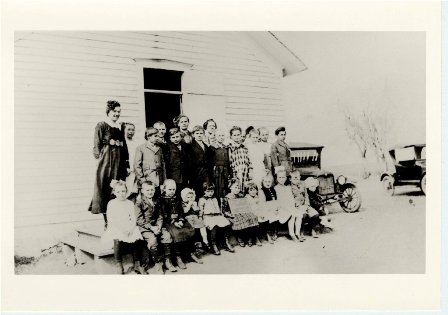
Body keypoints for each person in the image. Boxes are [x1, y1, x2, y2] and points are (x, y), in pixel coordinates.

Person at [89, 100, 128, 228]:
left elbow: (124, 146)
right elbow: (96, 146)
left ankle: (116, 219)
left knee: (117, 189)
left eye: (119, 111)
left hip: (119, 163)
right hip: (106, 163)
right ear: (108, 112)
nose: (117, 114)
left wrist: (126, 163)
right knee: (106, 190)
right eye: (114, 111)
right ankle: (107, 222)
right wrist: (100, 162)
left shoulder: (120, 126)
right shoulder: (101, 125)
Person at [102, 180, 146, 274]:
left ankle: (137, 263)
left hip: (128, 226)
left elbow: (134, 218)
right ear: (114, 192)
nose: (121, 194)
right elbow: (111, 220)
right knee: (117, 237)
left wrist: (131, 228)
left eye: (123, 191)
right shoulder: (111, 203)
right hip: (116, 226)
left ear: (126, 191)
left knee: (136, 234)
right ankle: (119, 264)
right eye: (118, 192)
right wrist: (122, 230)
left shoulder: (129, 203)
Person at [159, 179, 202, 270]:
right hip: (169, 222)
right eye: (170, 189)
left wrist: (181, 220)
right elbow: (164, 214)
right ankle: (178, 257)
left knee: (189, 229)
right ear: (164, 189)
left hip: (178, 220)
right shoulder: (162, 200)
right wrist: (174, 221)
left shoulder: (177, 199)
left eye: (173, 189)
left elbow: (181, 211)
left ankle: (190, 253)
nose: (172, 192)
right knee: (177, 233)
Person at [134, 181, 174, 274]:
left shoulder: (156, 200)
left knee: (167, 236)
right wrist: (151, 228)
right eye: (147, 190)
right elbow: (139, 220)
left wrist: (159, 226)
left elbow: (160, 215)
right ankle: (157, 262)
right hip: (145, 228)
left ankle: (168, 261)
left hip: (157, 226)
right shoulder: (139, 202)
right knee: (152, 240)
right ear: (143, 191)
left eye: (152, 189)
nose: (150, 192)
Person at [198, 182, 234, 255]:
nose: (210, 193)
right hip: (207, 217)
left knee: (226, 223)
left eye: (211, 191)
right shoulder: (202, 199)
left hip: (216, 216)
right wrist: (200, 218)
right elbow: (200, 210)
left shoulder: (214, 199)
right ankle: (213, 244)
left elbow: (217, 209)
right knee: (213, 226)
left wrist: (221, 215)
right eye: (208, 191)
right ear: (204, 191)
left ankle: (225, 242)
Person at [221, 179, 259, 247]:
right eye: (235, 187)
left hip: (241, 212)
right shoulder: (227, 198)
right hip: (232, 214)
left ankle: (249, 237)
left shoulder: (241, 195)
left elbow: (245, 205)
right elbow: (224, 211)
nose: (237, 189)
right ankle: (240, 237)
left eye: (238, 187)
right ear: (230, 187)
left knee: (251, 217)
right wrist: (229, 214)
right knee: (238, 220)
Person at [134, 127, 166, 195]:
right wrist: (142, 180)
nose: (157, 138)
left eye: (158, 136)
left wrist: (164, 180)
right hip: (147, 179)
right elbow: (137, 165)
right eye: (155, 136)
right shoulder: (141, 148)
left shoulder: (159, 148)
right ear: (149, 137)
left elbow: (163, 165)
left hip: (159, 180)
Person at [274, 168, 303, 242]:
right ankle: (292, 234)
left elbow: (291, 199)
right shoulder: (276, 188)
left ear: (286, 178)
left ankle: (297, 233)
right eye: (279, 177)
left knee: (299, 214)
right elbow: (277, 201)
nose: (281, 179)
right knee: (292, 214)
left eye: (283, 177)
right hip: (281, 208)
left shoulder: (288, 188)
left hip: (289, 206)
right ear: (276, 178)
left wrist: (295, 204)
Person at [290, 171, 321, 238]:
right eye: (294, 178)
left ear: (300, 177)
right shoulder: (289, 187)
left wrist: (307, 204)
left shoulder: (303, 184)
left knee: (315, 214)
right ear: (291, 179)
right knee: (304, 215)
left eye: (298, 178)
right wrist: (298, 205)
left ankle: (312, 229)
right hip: (297, 206)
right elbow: (291, 198)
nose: (296, 180)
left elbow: (306, 195)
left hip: (305, 205)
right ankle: (301, 230)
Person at [180, 188, 209, 254]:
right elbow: (185, 211)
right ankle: (194, 246)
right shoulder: (182, 203)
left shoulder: (194, 202)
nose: (190, 199)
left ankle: (205, 240)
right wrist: (189, 205)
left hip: (195, 217)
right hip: (188, 218)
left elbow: (197, 210)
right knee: (192, 229)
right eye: (188, 197)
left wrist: (194, 206)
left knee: (202, 225)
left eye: (191, 197)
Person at [189, 125, 213, 199]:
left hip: (205, 173)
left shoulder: (206, 146)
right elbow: (189, 162)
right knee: (198, 192)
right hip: (196, 174)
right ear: (193, 135)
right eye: (197, 133)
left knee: (206, 191)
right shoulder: (190, 146)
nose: (199, 135)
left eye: (201, 133)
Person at [228, 126, 253, 193]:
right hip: (236, 171)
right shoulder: (230, 148)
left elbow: (249, 160)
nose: (237, 137)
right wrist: (233, 174)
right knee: (237, 188)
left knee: (246, 188)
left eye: (238, 134)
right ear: (231, 137)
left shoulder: (245, 147)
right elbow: (230, 162)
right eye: (234, 135)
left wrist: (250, 171)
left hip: (245, 171)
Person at [165, 127, 191, 193]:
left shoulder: (185, 146)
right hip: (173, 175)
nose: (175, 139)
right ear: (170, 138)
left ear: (181, 137)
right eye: (173, 137)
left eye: (177, 137)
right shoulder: (167, 147)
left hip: (184, 175)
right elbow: (167, 163)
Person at [211, 129, 231, 200]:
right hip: (217, 170)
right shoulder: (213, 147)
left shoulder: (226, 147)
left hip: (225, 170)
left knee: (225, 187)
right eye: (219, 135)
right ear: (215, 137)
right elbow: (211, 161)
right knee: (218, 187)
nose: (221, 137)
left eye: (222, 135)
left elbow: (228, 161)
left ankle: (224, 205)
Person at [122, 122, 139, 200]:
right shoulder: (122, 143)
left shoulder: (136, 143)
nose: (131, 132)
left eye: (133, 130)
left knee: (134, 191)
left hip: (135, 170)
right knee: (125, 192)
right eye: (128, 129)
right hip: (126, 171)